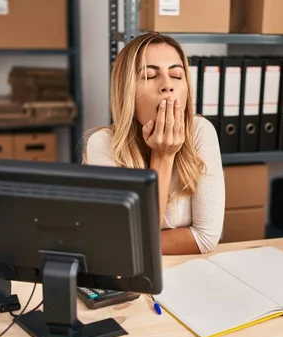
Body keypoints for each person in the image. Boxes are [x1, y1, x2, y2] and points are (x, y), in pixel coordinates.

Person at [83, 32, 225, 255]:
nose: (167, 85)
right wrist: (163, 157)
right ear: (126, 90)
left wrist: (135, 243)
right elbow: (120, 244)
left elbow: (205, 238)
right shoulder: (101, 144)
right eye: (149, 76)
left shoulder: (201, 131)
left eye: (177, 76)